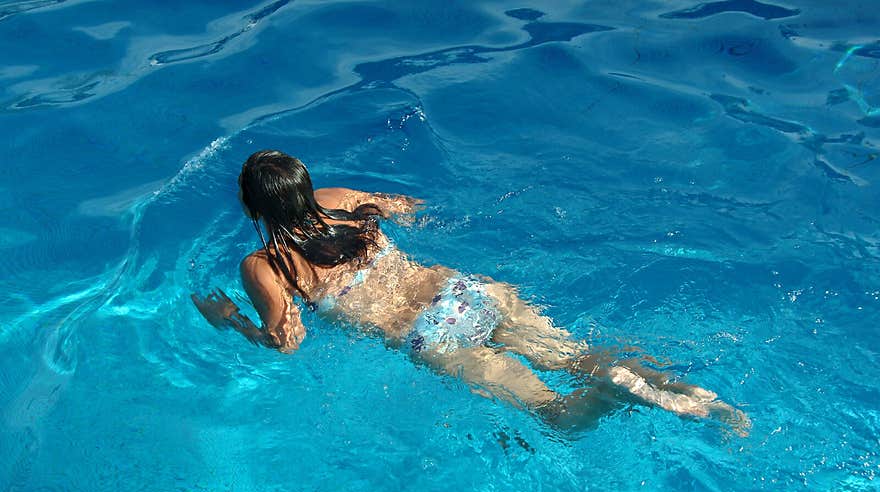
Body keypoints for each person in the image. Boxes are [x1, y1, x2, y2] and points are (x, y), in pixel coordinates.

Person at [192, 150, 750, 436]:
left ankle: (614, 393)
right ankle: (707, 401)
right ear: (307, 186)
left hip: (428, 336)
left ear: (252, 209)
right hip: (464, 290)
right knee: (582, 357)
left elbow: (286, 340)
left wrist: (230, 319)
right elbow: (411, 208)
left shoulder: (264, 266)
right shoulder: (340, 197)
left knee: (556, 414)